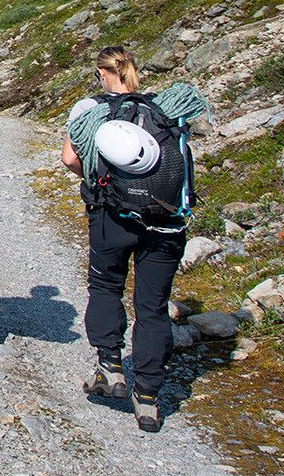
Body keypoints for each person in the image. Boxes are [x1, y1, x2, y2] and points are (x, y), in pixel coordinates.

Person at [61, 45, 205, 433]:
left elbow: (71, 159)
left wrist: (99, 183)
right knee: (153, 306)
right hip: (166, 221)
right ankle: (148, 398)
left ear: (102, 74)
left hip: (113, 217)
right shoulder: (164, 109)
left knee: (106, 286)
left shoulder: (91, 109)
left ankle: (110, 366)